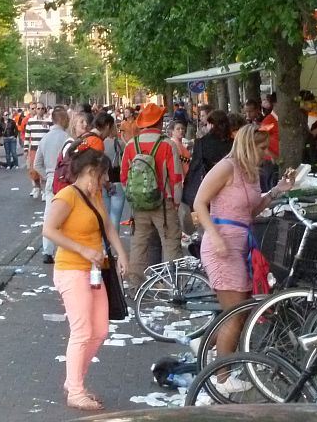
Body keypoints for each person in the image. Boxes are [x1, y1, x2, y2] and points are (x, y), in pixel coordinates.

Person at [195, 125, 295, 361]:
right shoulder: (226, 167)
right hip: (222, 246)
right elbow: (199, 202)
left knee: (242, 312)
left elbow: (250, 211)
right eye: (262, 148)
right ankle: (222, 375)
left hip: (240, 244)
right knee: (235, 315)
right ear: (248, 146)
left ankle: (204, 352)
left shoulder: (249, 172)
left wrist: (277, 190)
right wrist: (215, 236)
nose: (266, 153)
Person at [42, 147, 129, 412]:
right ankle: (76, 391)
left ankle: (74, 381)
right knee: (82, 331)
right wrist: (82, 250)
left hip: (94, 270)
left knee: (100, 330)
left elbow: (108, 226)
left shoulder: (95, 195)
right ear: (90, 172)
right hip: (72, 270)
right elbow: (48, 230)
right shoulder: (67, 196)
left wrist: (121, 253)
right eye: (102, 175)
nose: (106, 180)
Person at [121, 102, 183, 289]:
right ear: (159, 122)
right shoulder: (167, 144)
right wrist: (176, 203)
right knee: (170, 243)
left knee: (139, 244)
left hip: (139, 205)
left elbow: (124, 178)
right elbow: (176, 178)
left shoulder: (131, 145)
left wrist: (136, 197)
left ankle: (135, 284)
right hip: (164, 204)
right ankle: (173, 285)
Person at [183, 110, 234, 227]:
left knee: (208, 222)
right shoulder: (233, 143)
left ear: (211, 124)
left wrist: (187, 189)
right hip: (229, 187)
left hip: (208, 186)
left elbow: (194, 167)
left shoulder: (202, 143)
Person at [35, 106, 71, 263]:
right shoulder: (67, 139)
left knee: (49, 215)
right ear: (62, 119)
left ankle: (47, 250)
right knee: (67, 214)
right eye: (67, 118)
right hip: (65, 180)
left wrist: (48, 175)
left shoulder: (44, 139)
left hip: (50, 180)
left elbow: (36, 164)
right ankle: (65, 248)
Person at [90, 112, 125, 232]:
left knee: (104, 216)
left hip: (98, 184)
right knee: (114, 217)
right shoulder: (98, 142)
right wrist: (107, 183)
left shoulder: (88, 138)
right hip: (112, 180)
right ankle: (111, 241)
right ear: (107, 126)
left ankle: (106, 240)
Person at [24, 104, 51, 199]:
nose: (40, 110)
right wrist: (26, 149)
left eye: (42, 108)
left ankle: (44, 191)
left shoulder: (49, 121)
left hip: (45, 149)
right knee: (33, 171)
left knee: (43, 170)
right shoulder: (31, 121)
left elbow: (51, 135)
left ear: (44, 110)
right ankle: (37, 187)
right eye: (38, 108)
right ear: (35, 110)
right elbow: (27, 136)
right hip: (34, 149)